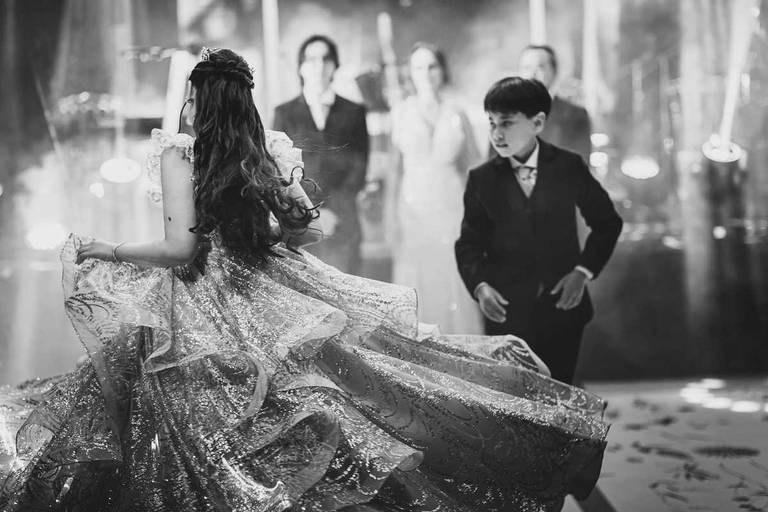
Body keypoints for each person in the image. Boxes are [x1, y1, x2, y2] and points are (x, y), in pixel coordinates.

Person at [0, 50, 608, 511]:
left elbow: (181, 248)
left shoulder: (180, 154)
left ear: (199, 100)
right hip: (274, 285)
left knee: (206, 415)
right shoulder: (262, 150)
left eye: (190, 96)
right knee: (356, 384)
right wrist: (270, 222)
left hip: (205, 296)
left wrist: (105, 248)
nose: (185, 106)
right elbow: (303, 230)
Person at [456, 77, 623, 385]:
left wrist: (582, 272)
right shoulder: (481, 179)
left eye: (507, 123)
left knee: (559, 391)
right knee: (515, 396)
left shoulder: (568, 166)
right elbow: (468, 244)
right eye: (492, 123)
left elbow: (607, 224)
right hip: (506, 309)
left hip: (562, 306)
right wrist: (480, 286)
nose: (496, 133)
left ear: (537, 123)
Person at [390, 42, 482, 334]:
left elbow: (473, 167)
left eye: (432, 66)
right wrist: (390, 218)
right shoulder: (401, 112)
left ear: (442, 71)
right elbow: (394, 171)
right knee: (416, 275)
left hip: (451, 204)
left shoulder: (457, 112)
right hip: (412, 206)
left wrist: (477, 216)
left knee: (452, 272)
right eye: (418, 67)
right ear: (410, 73)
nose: (426, 73)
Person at [273, 35, 368, 275]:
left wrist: (332, 211)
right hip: (300, 223)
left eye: (326, 59)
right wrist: (313, 213)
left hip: (343, 220)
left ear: (335, 65)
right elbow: (279, 170)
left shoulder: (355, 112)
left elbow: (359, 167)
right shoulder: (284, 114)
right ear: (301, 67)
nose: (319, 65)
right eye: (312, 59)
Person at [490, 45, 592, 164]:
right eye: (527, 68)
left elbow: (580, 164)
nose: (532, 74)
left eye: (540, 67)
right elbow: (492, 165)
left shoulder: (575, 115)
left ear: (554, 72)